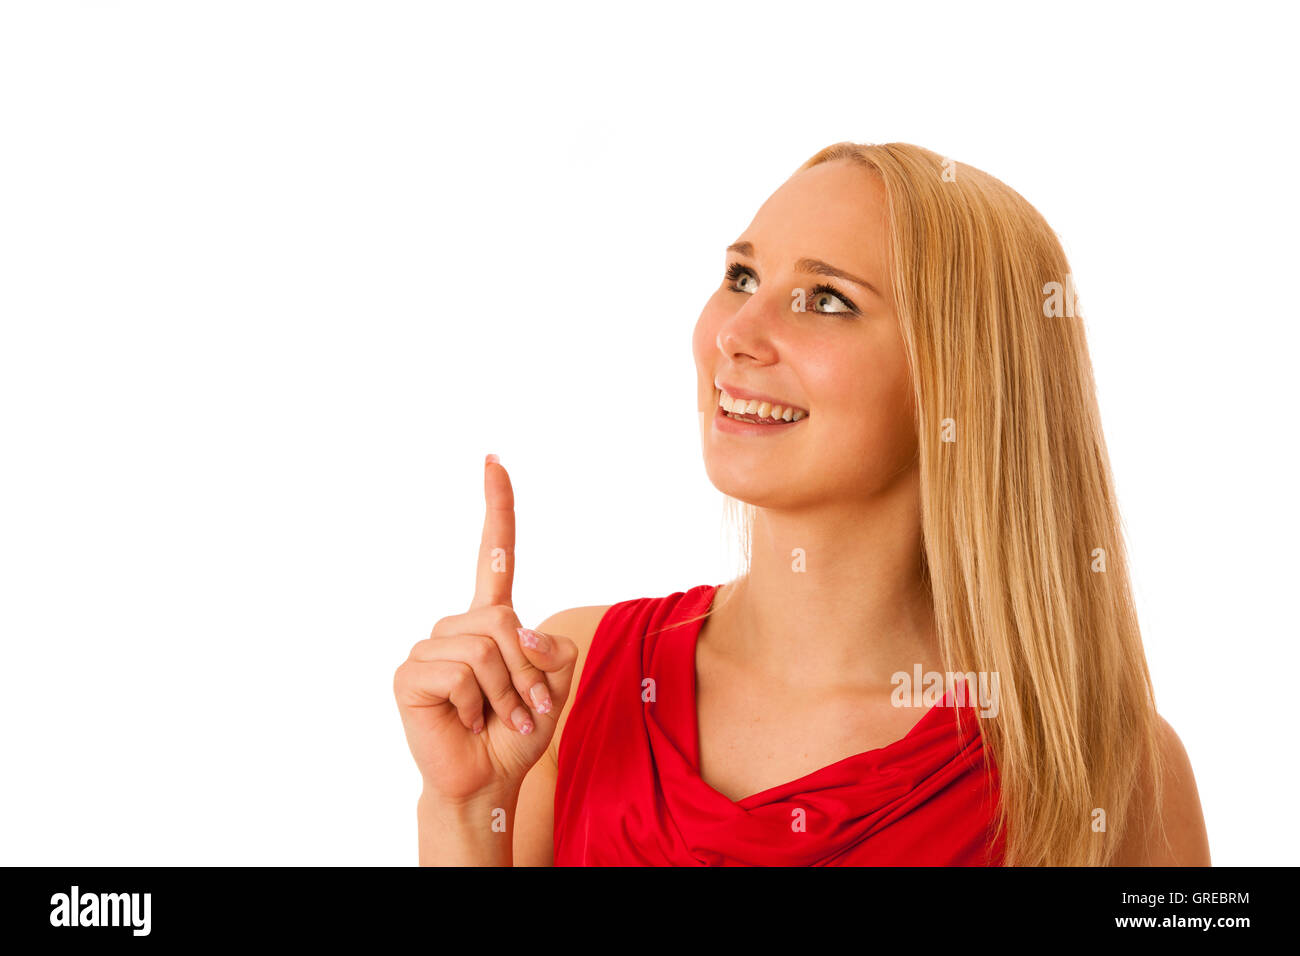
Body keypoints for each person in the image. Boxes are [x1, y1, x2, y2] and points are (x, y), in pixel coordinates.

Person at [394, 141, 1212, 866]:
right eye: (741, 277)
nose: (735, 334)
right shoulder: (567, 683)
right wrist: (464, 810)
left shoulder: (1108, 768)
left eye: (826, 299)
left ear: (961, 381)